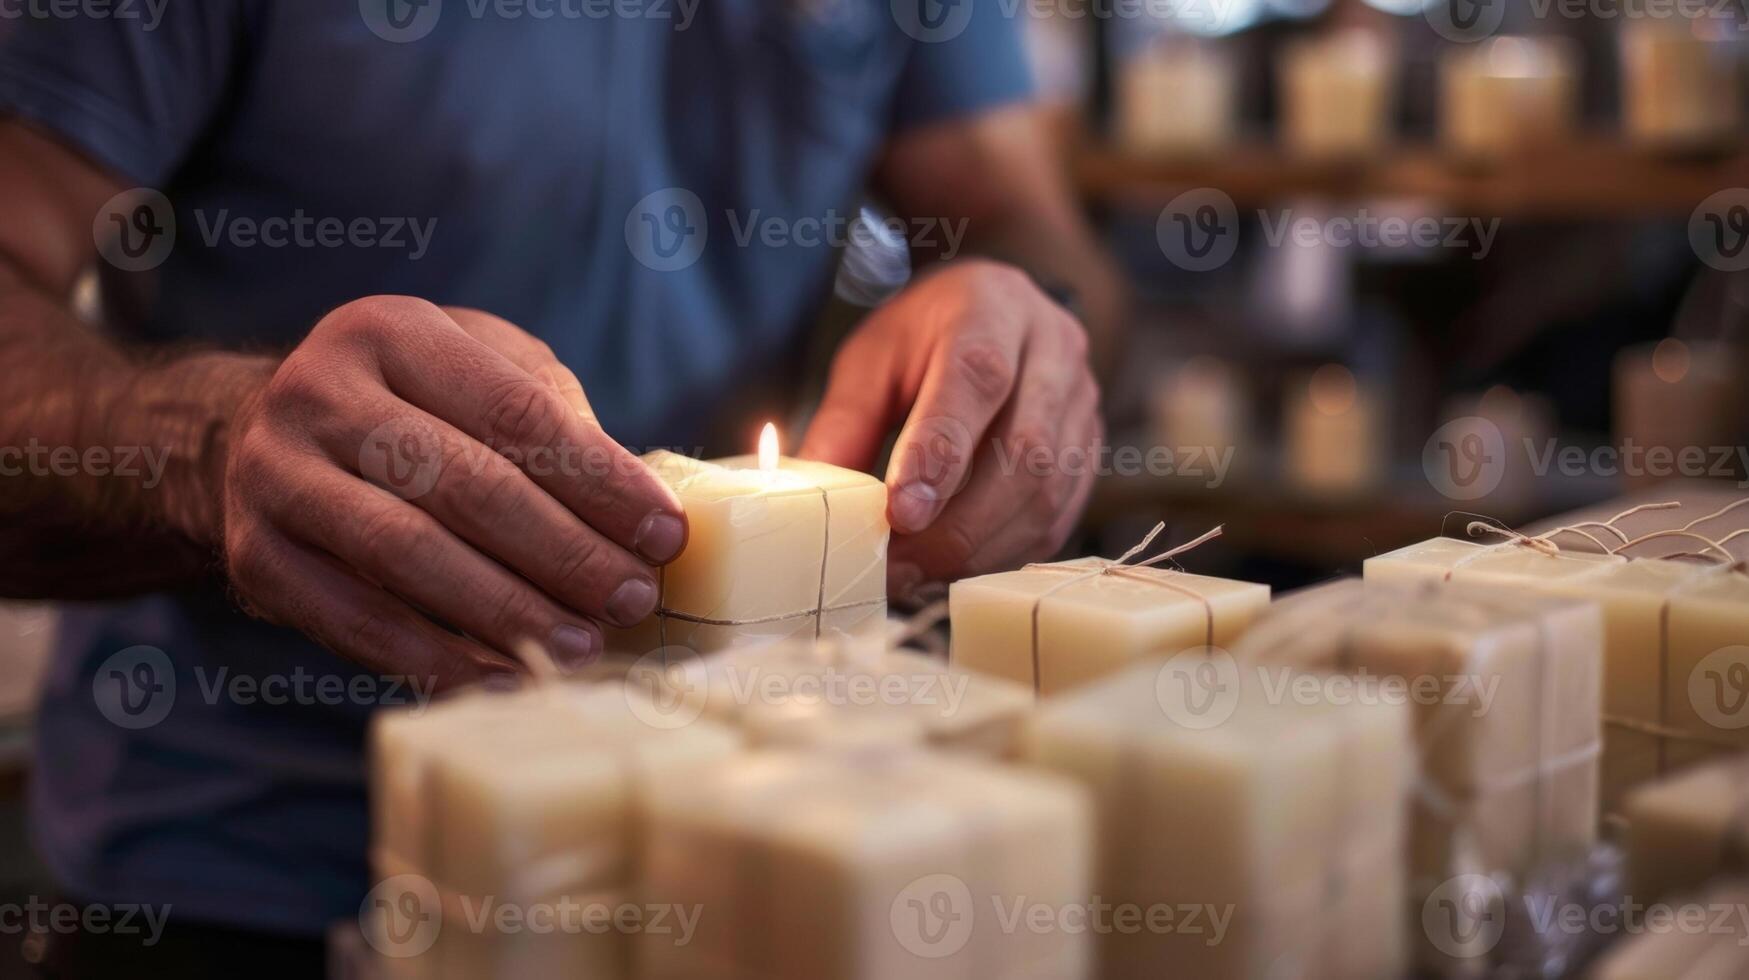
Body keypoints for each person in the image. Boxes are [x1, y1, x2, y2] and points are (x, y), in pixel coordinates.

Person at [0, 1, 1117, 971]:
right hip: (240, 862)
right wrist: (214, 442)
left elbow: (1022, 218)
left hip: (748, 843)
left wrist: (1027, 317)